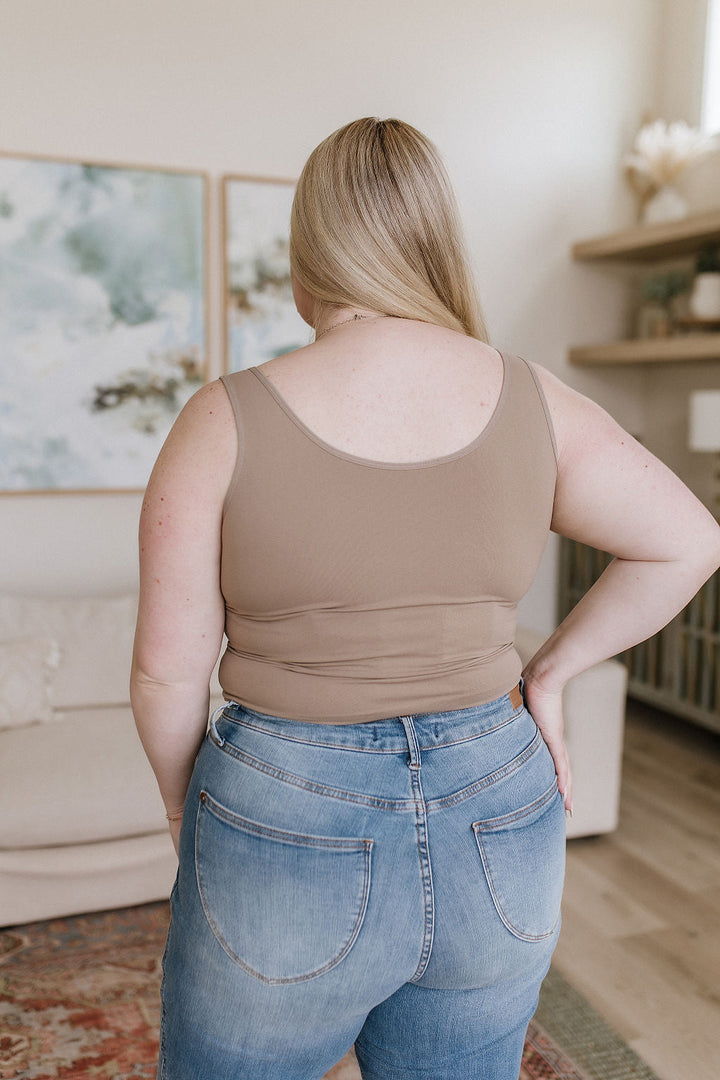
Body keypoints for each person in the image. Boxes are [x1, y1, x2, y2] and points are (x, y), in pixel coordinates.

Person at [131, 117, 720, 1080]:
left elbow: (165, 669)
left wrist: (183, 809)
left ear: (308, 255)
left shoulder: (223, 416)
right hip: (500, 786)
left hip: (285, 795)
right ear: (434, 241)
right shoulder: (537, 398)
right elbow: (690, 540)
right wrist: (554, 674)